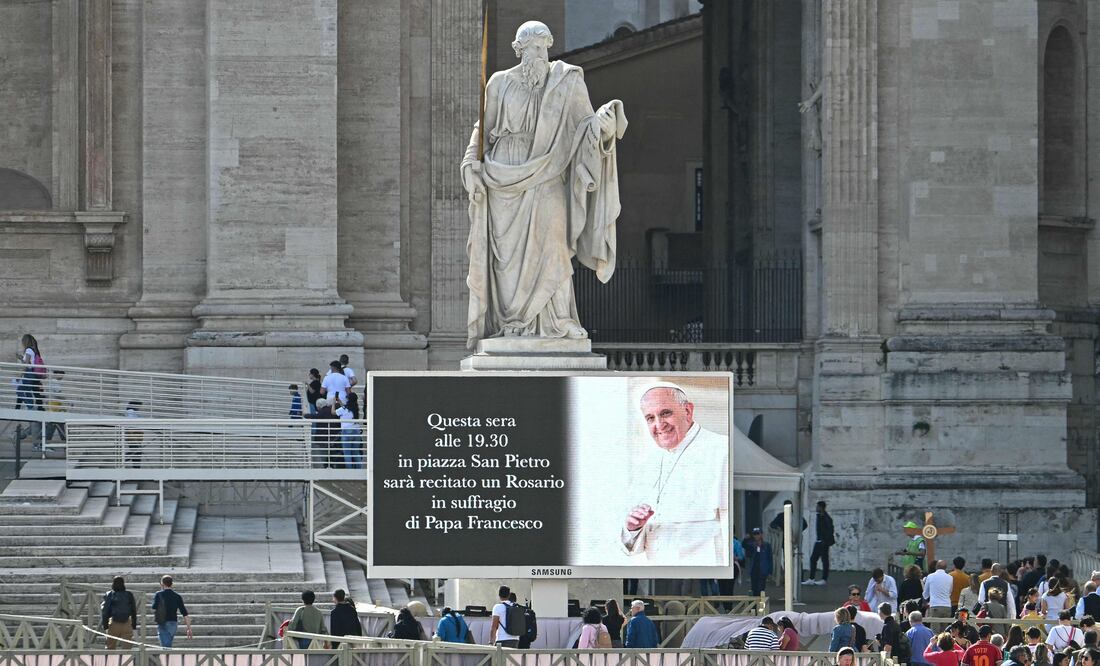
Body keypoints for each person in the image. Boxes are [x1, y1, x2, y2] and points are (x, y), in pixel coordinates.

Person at [460, 19, 625, 348]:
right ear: (518, 50)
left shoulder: (567, 81)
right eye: (531, 48)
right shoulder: (499, 83)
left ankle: (558, 320)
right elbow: (483, 129)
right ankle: (510, 322)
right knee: (505, 259)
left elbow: (585, 127)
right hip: (503, 174)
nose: (538, 54)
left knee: (554, 244)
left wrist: (605, 127)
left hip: (549, 172)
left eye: (543, 48)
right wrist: (469, 164)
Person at [621, 383, 728, 565]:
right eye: (650, 418)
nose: (659, 425)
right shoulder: (648, 463)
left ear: (687, 411)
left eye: (665, 413)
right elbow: (633, 548)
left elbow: (728, 529)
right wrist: (633, 528)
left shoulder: (723, 451)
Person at [151, 575, 192, 648]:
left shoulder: (158, 594)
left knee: (165, 646)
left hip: (162, 622)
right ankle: (166, 657)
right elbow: (184, 613)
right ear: (172, 584)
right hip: (173, 623)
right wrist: (189, 628)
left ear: (162, 584)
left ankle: (165, 657)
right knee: (167, 644)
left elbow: (154, 607)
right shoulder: (177, 596)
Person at [101, 576, 137, 650]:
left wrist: (105, 626)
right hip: (127, 622)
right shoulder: (129, 594)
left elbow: (105, 611)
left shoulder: (110, 594)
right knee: (127, 649)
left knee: (110, 648)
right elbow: (133, 610)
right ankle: (127, 661)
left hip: (114, 622)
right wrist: (133, 625)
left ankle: (111, 661)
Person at [805, 500, 836, 585]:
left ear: (821, 508)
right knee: (813, 559)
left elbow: (830, 530)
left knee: (824, 560)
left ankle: (823, 579)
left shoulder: (826, 518)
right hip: (819, 541)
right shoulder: (819, 516)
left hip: (823, 542)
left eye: (817, 507)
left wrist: (825, 541)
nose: (816, 508)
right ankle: (811, 578)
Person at [15, 334, 45, 411]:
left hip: (29, 374)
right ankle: (36, 407)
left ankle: (30, 406)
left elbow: (26, 365)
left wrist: (20, 376)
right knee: (31, 391)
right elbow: (28, 362)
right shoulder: (33, 349)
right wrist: (21, 358)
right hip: (32, 374)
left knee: (20, 390)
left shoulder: (28, 350)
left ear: (25, 341)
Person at [334, 394, 363, 469]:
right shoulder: (355, 409)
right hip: (356, 431)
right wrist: (339, 402)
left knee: (347, 453)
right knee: (356, 453)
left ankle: (350, 471)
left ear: (348, 400)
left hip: (347, 432)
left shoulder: (344, 409)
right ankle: (359, 469)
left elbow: (333, 412)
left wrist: (334, 403)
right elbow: (346, 408)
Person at [745, 528, 774, 596]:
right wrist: (746, 539)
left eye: (758, 533)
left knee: (761, 588)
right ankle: (754, 605)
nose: (756, 536)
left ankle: (761, 604)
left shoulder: (767, 545)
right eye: (754, 534)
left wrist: (770, 571)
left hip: (763, 570)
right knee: (754, 588)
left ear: (761, 534)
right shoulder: (751, 545)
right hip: (754, 569)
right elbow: (745, 546)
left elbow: (770, 558)